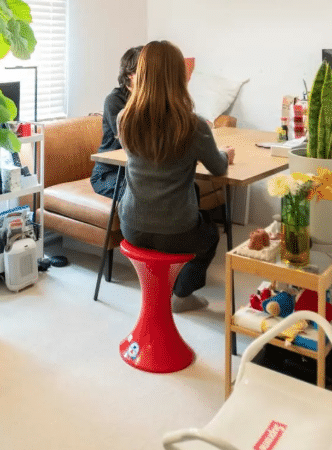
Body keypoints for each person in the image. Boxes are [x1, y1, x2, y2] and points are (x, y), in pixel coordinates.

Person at [117, 40, 235, 312]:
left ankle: (161, 289)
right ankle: (181, 293)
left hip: (131, 225)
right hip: (176, 230)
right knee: (211, 235)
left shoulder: (125, 118)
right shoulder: (193, 125)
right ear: (179, 77)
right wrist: (224, 154)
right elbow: (218, 168)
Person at [90, 45, 144, 199]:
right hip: (110, 173)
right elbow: (132, 143)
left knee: (188, 188)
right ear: (130, 74)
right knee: (142, 193)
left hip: (140, 171)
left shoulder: (154, 100)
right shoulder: (115, 100)